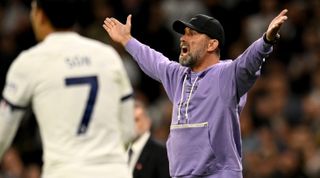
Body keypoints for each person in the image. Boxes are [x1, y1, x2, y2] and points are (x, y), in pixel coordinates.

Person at [103, 9, 288, 178]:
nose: (183, 39)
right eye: (183, 34)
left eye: (192, 34)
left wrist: (266, 40)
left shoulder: (226, 75)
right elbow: (153, 59)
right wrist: (127, 40)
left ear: (211, 44)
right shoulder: (177, 76)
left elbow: (249, 62)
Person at [0, 0, 135, 177]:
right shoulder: (108, 56)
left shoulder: (30, 62)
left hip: (64, 171)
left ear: (40, 15)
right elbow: (128, 130)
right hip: (114, 171)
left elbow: (3, 132)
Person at [128, 99, 170, 178]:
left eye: (137, 120)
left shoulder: (161, 152)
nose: (132, 125)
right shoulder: (121, 150)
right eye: (129, 121)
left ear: (147, 122)